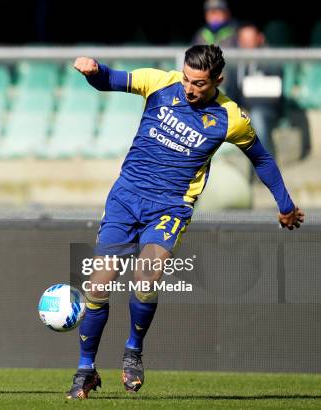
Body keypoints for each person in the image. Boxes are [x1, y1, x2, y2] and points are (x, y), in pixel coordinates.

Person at [67, 45, 304, 400]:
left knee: (147, 275)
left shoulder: (230, 117)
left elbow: (261, 158)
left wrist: (285, 204)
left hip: (171, 207)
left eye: (200, 84)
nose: (190, 88)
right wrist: (94, 70)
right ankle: (85, 370)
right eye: (188, 79)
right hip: (126, 198)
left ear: (217, 81)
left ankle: (133, 351)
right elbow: (109, 81)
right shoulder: (159, 83)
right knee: (98, 285)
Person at [235, 22, 283, 156]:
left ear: (260, 38)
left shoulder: (271, 60)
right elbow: (232, 91)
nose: (246, 44)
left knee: (256, 116)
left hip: (265, 110)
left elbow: (273, 94)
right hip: (240, 109)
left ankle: (263, 164)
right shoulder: (234, 62)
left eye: (250, 39)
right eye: (243, 40)